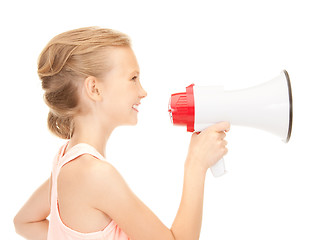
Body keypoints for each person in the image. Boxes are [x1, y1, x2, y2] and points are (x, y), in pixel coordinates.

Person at [13, 27, 230, 240]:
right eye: (133, 78)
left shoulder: (64, 162)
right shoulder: (95, 174)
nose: (143, 92)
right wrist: (196, 164)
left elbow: (25, 222)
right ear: (94, 89)